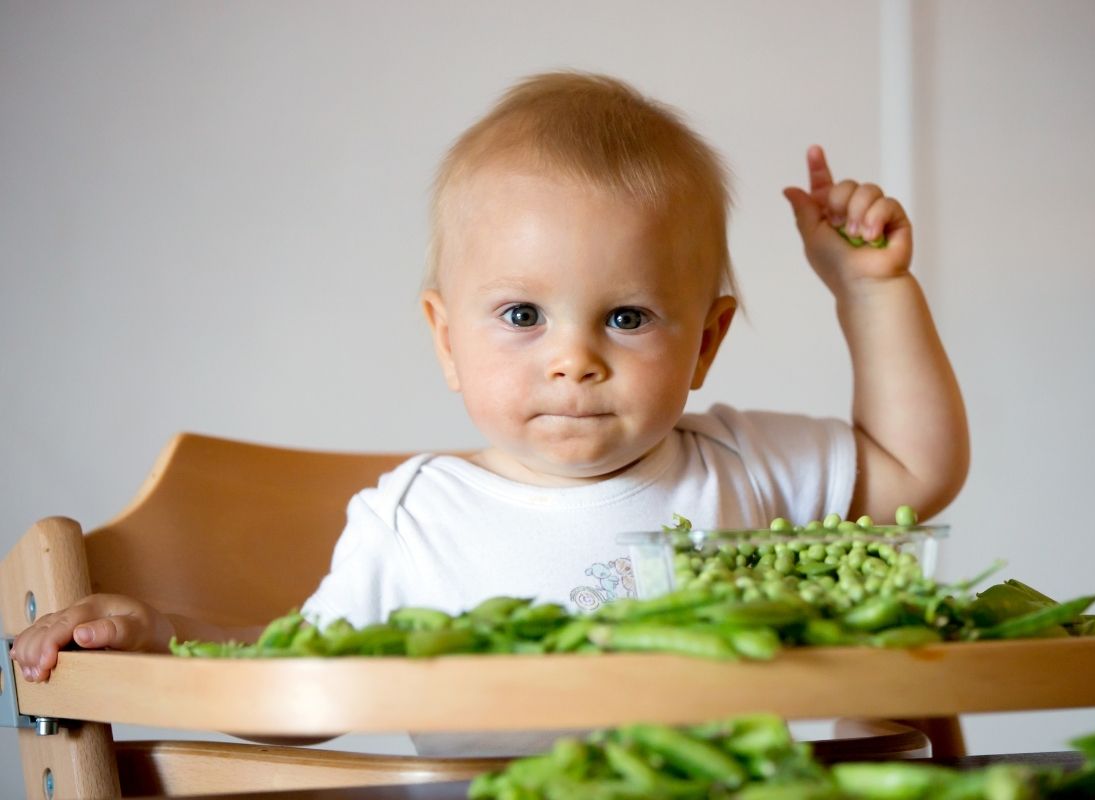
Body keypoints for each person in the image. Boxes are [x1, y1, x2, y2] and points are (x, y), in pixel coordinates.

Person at [12, 71, 969, 686]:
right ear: (446, 339)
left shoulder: (739, 468)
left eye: (627, 318)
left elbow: (915, 472)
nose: (573, 357)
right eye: (522, 316)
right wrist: (161, 637)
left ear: (706, 344)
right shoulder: (415, 519)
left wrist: (870, 292)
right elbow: (292, 676)